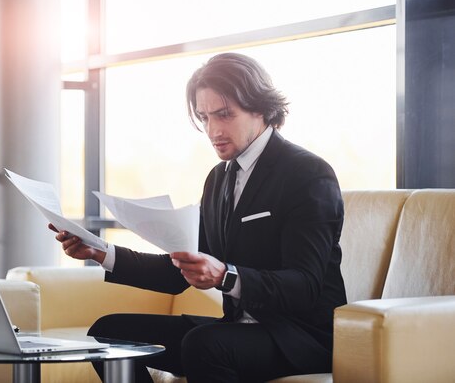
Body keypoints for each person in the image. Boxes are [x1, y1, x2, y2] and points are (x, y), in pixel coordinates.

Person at [50, 52, 346, 382]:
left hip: (301, 338)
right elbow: (181, 272)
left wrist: (225, 277)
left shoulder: (308, 174)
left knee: (204, 344)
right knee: (109, 332)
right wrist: (99, 252)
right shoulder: (219, 178)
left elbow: (304, 285)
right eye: (204, 118)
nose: (213, 130)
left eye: (224, 115)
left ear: (260, 108)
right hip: (239, 330)